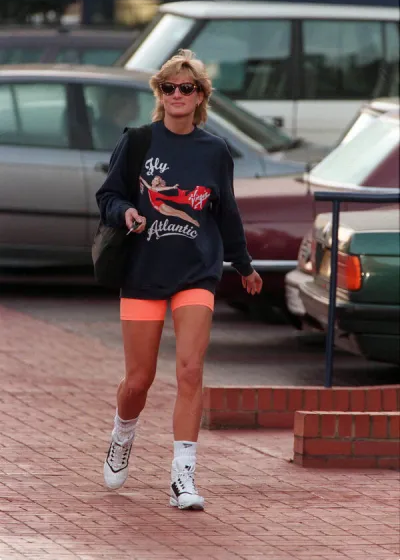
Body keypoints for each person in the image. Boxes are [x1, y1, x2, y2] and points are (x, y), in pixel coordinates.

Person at [96, 49, 263, 511]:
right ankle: (122, 433)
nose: (176, 95)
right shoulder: (137, 142)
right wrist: (125, 210)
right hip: (144, 271)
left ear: (201, 96)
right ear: (160, 94)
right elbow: (107, 194)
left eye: (185, 88)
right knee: (139, 379)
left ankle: (182, 478)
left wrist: (243, 265)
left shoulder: (214, 151)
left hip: (197, 271)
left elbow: (226, 212)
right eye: (168, 87)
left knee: (190, 370)